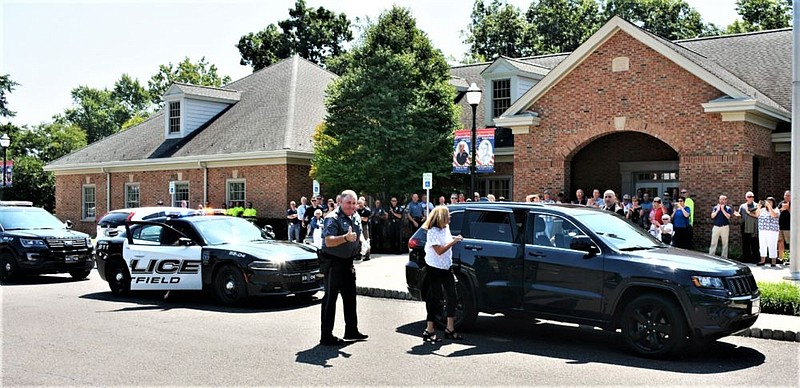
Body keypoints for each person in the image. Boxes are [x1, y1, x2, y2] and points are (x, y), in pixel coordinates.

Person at [319, 190, 367, 345]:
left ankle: (351, 330)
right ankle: (326, 335)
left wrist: (363, 241)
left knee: (350, 297)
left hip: (348, 263)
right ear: (340, 202)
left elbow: (358, 232)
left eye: (354, 203)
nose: (352, 206)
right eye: (349, 203)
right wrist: (346, 238)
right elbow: (329, 241)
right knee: (330, 299)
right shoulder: (332, 218)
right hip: (333, 263)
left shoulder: (355, 215)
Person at [421, 205, 464, 343]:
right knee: (436, 297)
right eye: (448, 215)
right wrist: (454, 242)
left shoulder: (445, 228)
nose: (450, 217)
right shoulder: (432, 231)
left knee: (452, 294)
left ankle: (450, 329)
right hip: (434, 266)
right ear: (441, 217)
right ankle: (429, 329)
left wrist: (453, 238)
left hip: (446, 266)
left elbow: (445, 239)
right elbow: (439, 250)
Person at [735, 191, 760, 263]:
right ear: (746, 198)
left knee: (755, 244)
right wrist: (737, 215)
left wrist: (748, 212)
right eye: (749, 197)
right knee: (745, 243)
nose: (751, 198)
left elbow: (757, 214)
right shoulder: (742, 206)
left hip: (754, 227)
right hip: (745, 226)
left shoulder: (757, 205)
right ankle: (746, 259)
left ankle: (755, 259)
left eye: (752, 196)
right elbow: (740, 214)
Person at [756, 197, 780, 267]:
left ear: (773, 203)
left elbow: (773, 215)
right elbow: (757, 215)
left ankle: (773, 261)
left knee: (772, 245)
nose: (768, 203)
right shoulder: (762, 210)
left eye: (770, 202)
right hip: (762, 230)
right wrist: (759, 207)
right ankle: (762, 260)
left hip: (772, 231)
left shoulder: (776, 210)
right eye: (767, 202)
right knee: (762, 245)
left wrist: (769, 207)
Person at [778, 190, 790, 263]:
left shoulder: (794, 203)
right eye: (785, 195)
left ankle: (787, 259)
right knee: (780, 242)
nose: (786, 197)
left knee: (788, 244)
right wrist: (782, 209)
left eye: (788, 195)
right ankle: (781, 258)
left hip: (788, 227)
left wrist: (788, 208)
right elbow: (778, 211)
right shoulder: (781, 203)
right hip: (780, 227)